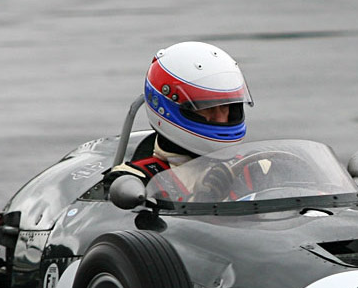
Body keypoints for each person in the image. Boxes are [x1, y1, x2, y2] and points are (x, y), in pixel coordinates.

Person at [108, 41, 253, 183]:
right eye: (207, 108)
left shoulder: (249, 168)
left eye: (225, 107)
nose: (220, 119)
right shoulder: (133, 181)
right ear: (167, 108)